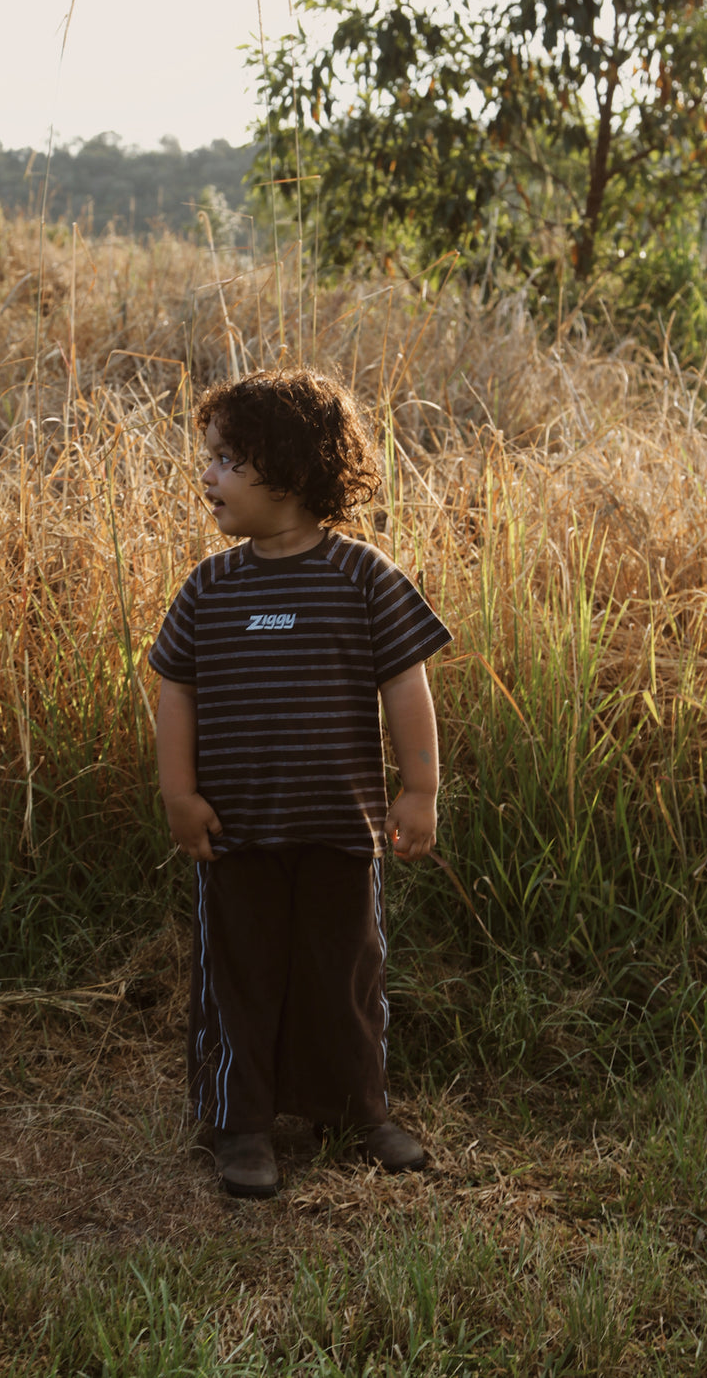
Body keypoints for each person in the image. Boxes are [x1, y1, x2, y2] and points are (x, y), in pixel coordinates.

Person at [148, 369, 452, 1199]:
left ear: (285, 469)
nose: (205, 476)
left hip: (340, 831)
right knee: (238, 979)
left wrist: (419, 791)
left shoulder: (362, 577)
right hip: (235, 834)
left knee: (344, 976)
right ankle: (239, 1127)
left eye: (224, 461)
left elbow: (405, 684)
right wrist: (180, 794)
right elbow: (177, 690)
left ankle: (359, 1109)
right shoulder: (211, 589)